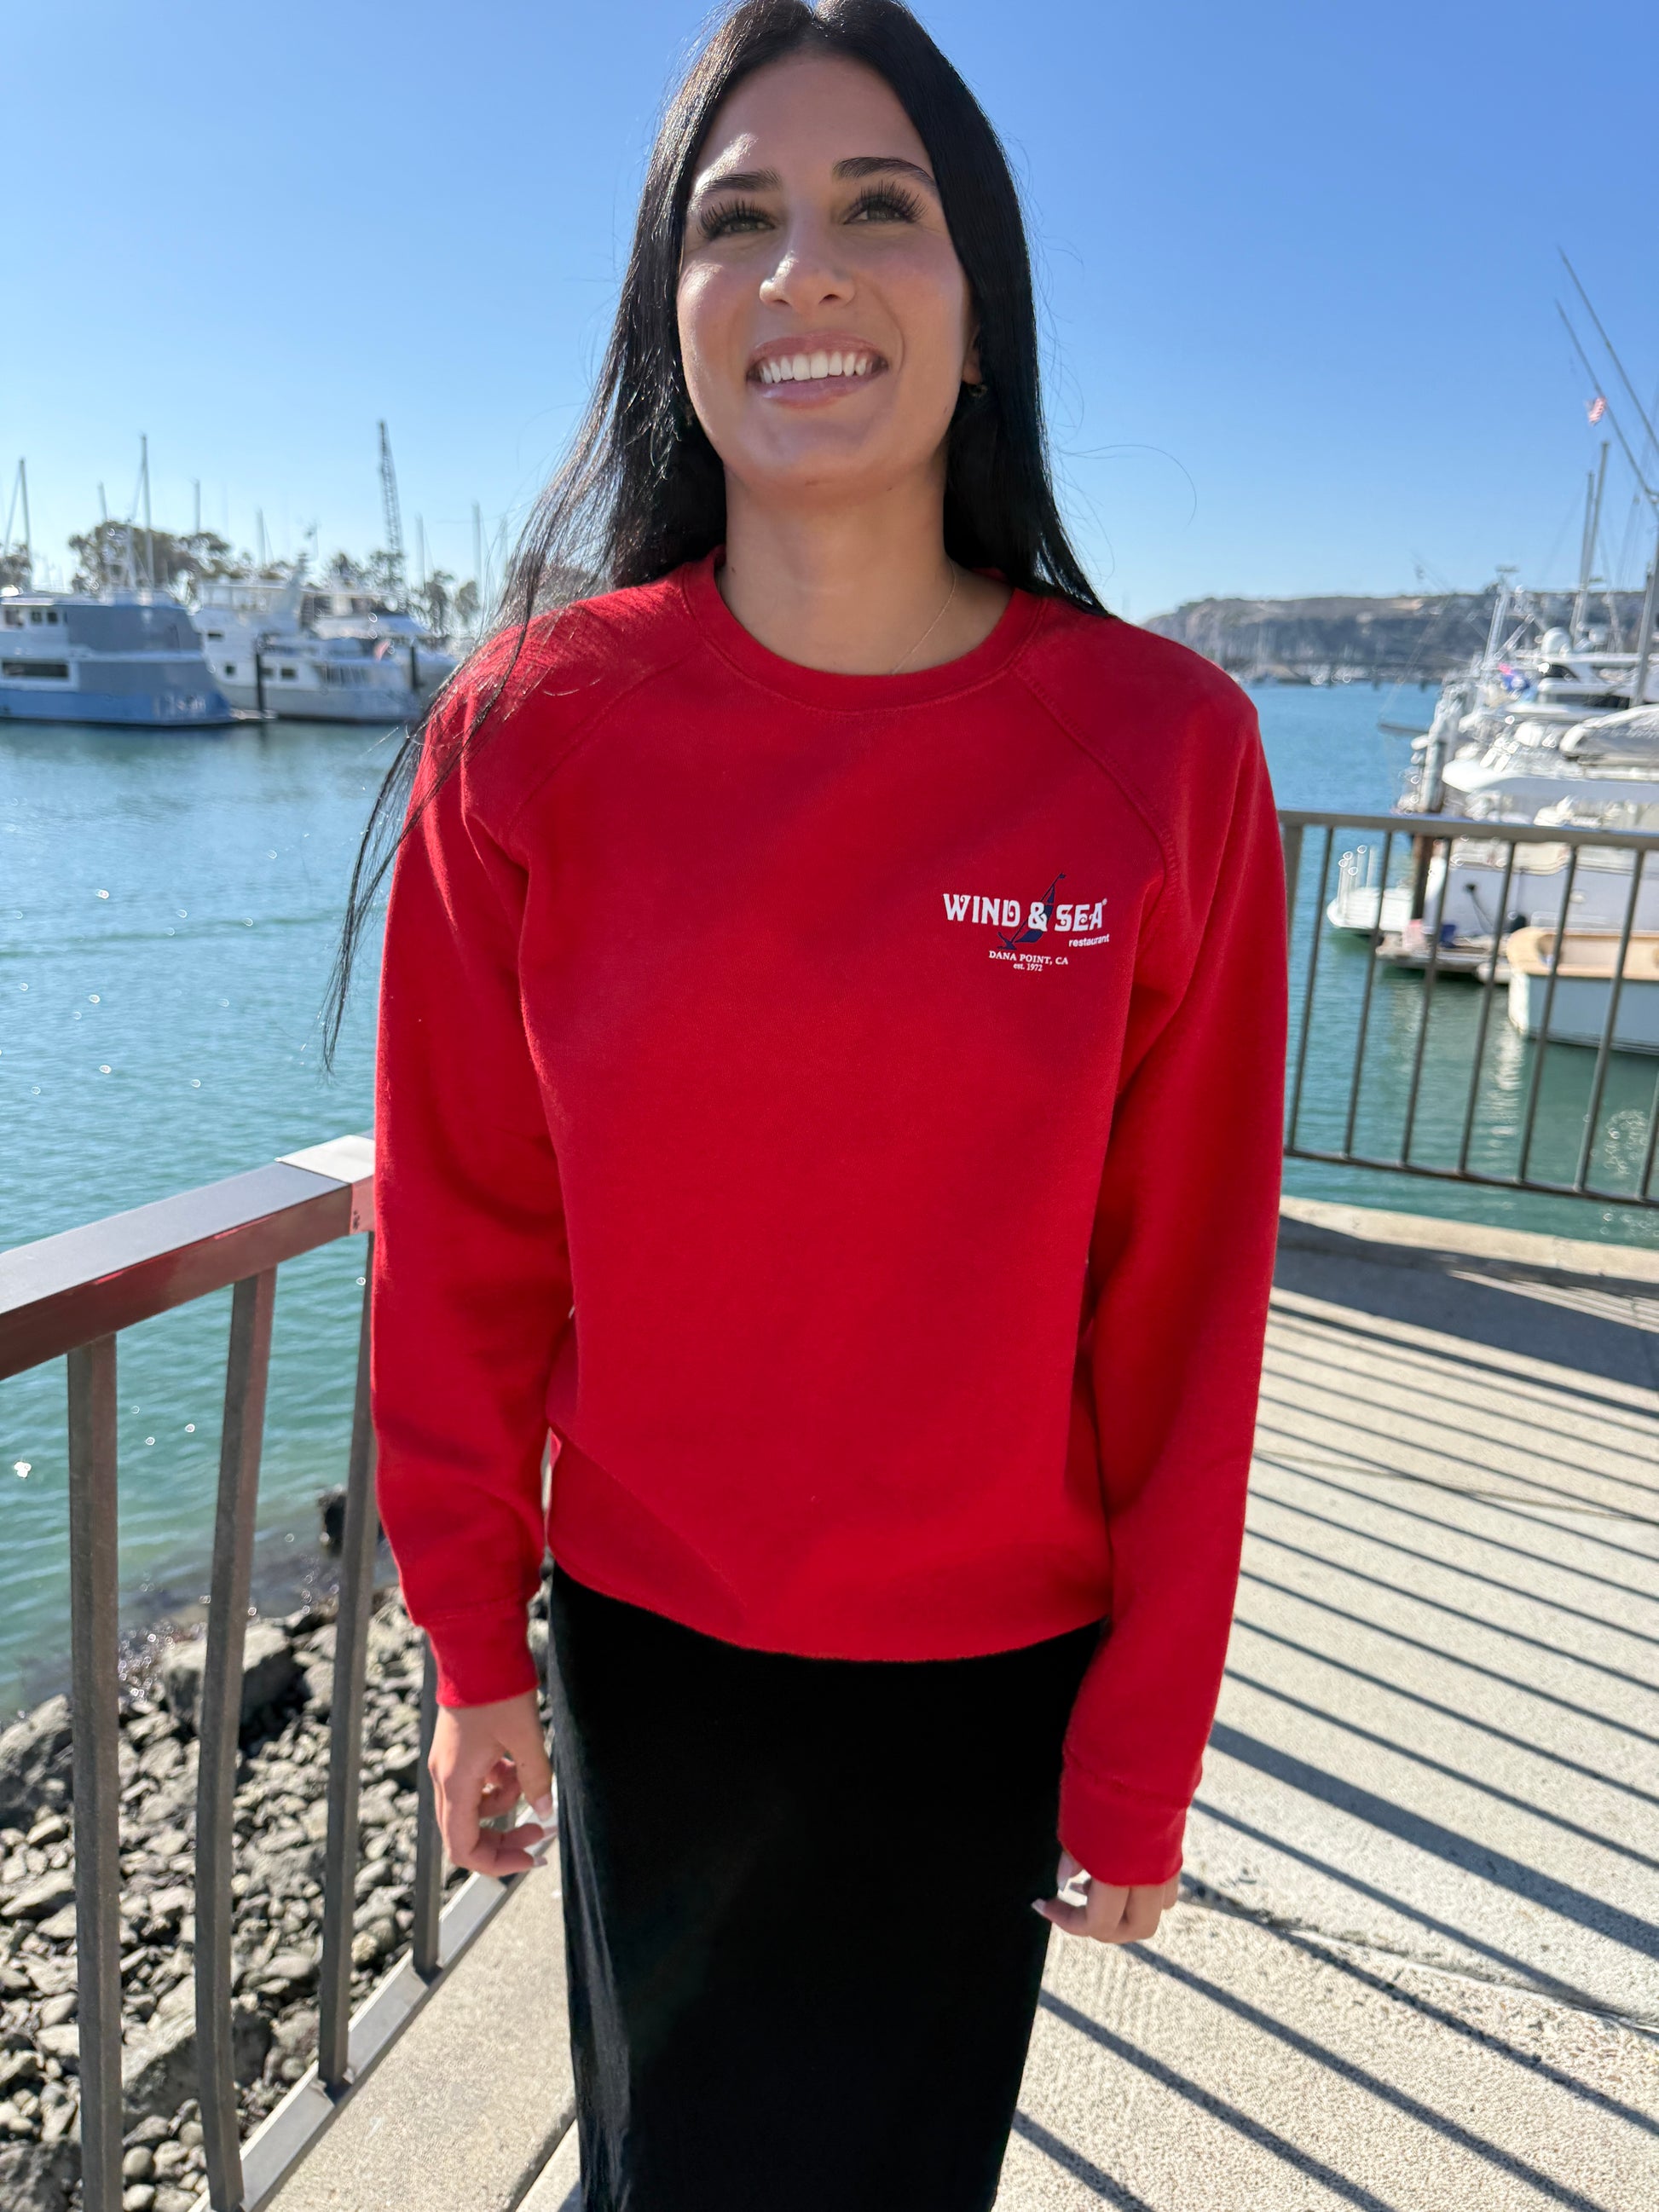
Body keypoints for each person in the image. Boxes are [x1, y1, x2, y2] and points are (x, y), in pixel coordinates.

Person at [332, 3, 1286, 2205]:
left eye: (880, 205)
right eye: (733, 217)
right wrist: (472, 1639)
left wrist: (1140, 1744)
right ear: (664, 309)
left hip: (990, 1674)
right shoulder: (529, 734)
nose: (802, 268)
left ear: (979, 299)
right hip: (653, 1649)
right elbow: (464, 1234)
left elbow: (1185, 1300)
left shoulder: (1160, 750)